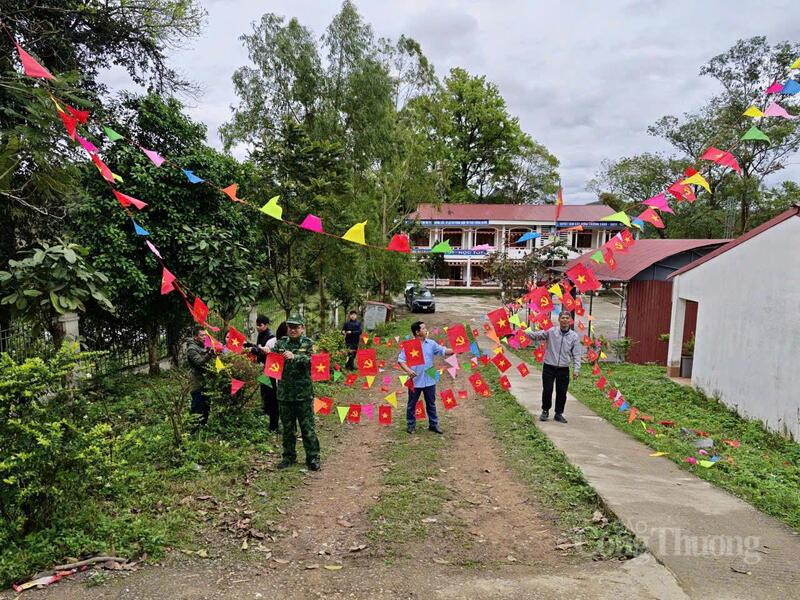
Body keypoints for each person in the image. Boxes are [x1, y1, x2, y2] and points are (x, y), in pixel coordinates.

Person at [273, 315, 321, 471]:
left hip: (303, 395)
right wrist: (265, 352)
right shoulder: (280, 344)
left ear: (302, 328)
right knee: (287, 429)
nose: (292, 330)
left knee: (307, 428)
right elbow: (272, 361)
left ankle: (313, 457)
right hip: (285, 394)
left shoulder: (309, 344)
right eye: (290, 327)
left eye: (296, 327)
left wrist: (296, 357)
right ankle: (288, 457)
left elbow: (316, 361)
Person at [397, 321, 454, 435]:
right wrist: (408, 371)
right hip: (415, 380)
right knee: (412, 404)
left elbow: (443, 350)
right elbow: (401, 360)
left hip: (430, 378)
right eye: (423, 328)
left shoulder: (431, 343)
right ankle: (411, 425)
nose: (426, 330)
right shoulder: (409, 345)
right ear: (417, 332)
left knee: (431, 403)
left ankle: (433, 424)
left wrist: (456, 349)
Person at [527, 311, 581, 424]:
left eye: (567, 318)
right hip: (549, 366)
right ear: (559, 320)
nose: (565, 320)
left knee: (562, 392)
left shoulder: (574, 336)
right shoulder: (551, 331)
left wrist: (576, 369)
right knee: (547, 390)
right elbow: (536, 335)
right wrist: (522, 332)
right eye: (563, 318)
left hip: (563, 368)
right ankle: (545, 411)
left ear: (570, 320)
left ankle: (558, 414)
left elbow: (576, 354)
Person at [248, 315, 279, 431]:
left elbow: (265, 351)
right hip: (262, 365)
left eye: (260, 325)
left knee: (270, 391)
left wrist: (256, 350)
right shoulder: (261, 334)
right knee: (264, 389)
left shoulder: (270, 337)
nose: (257, 327)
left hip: (270, 367)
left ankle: (270, 411)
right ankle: (265, 408)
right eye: (257, 325)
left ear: (266, 325)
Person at [186, 326, 215, 429]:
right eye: (202, 335)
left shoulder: (204, 345)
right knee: (197, 405)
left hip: (205, 380)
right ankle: (192, 429)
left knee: (206, 405)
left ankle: (203, 425)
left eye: (205, 335)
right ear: (195, 337)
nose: (204, 337)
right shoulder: (191, 349)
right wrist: (210, 354)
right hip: (196, 381)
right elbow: (199, 362)